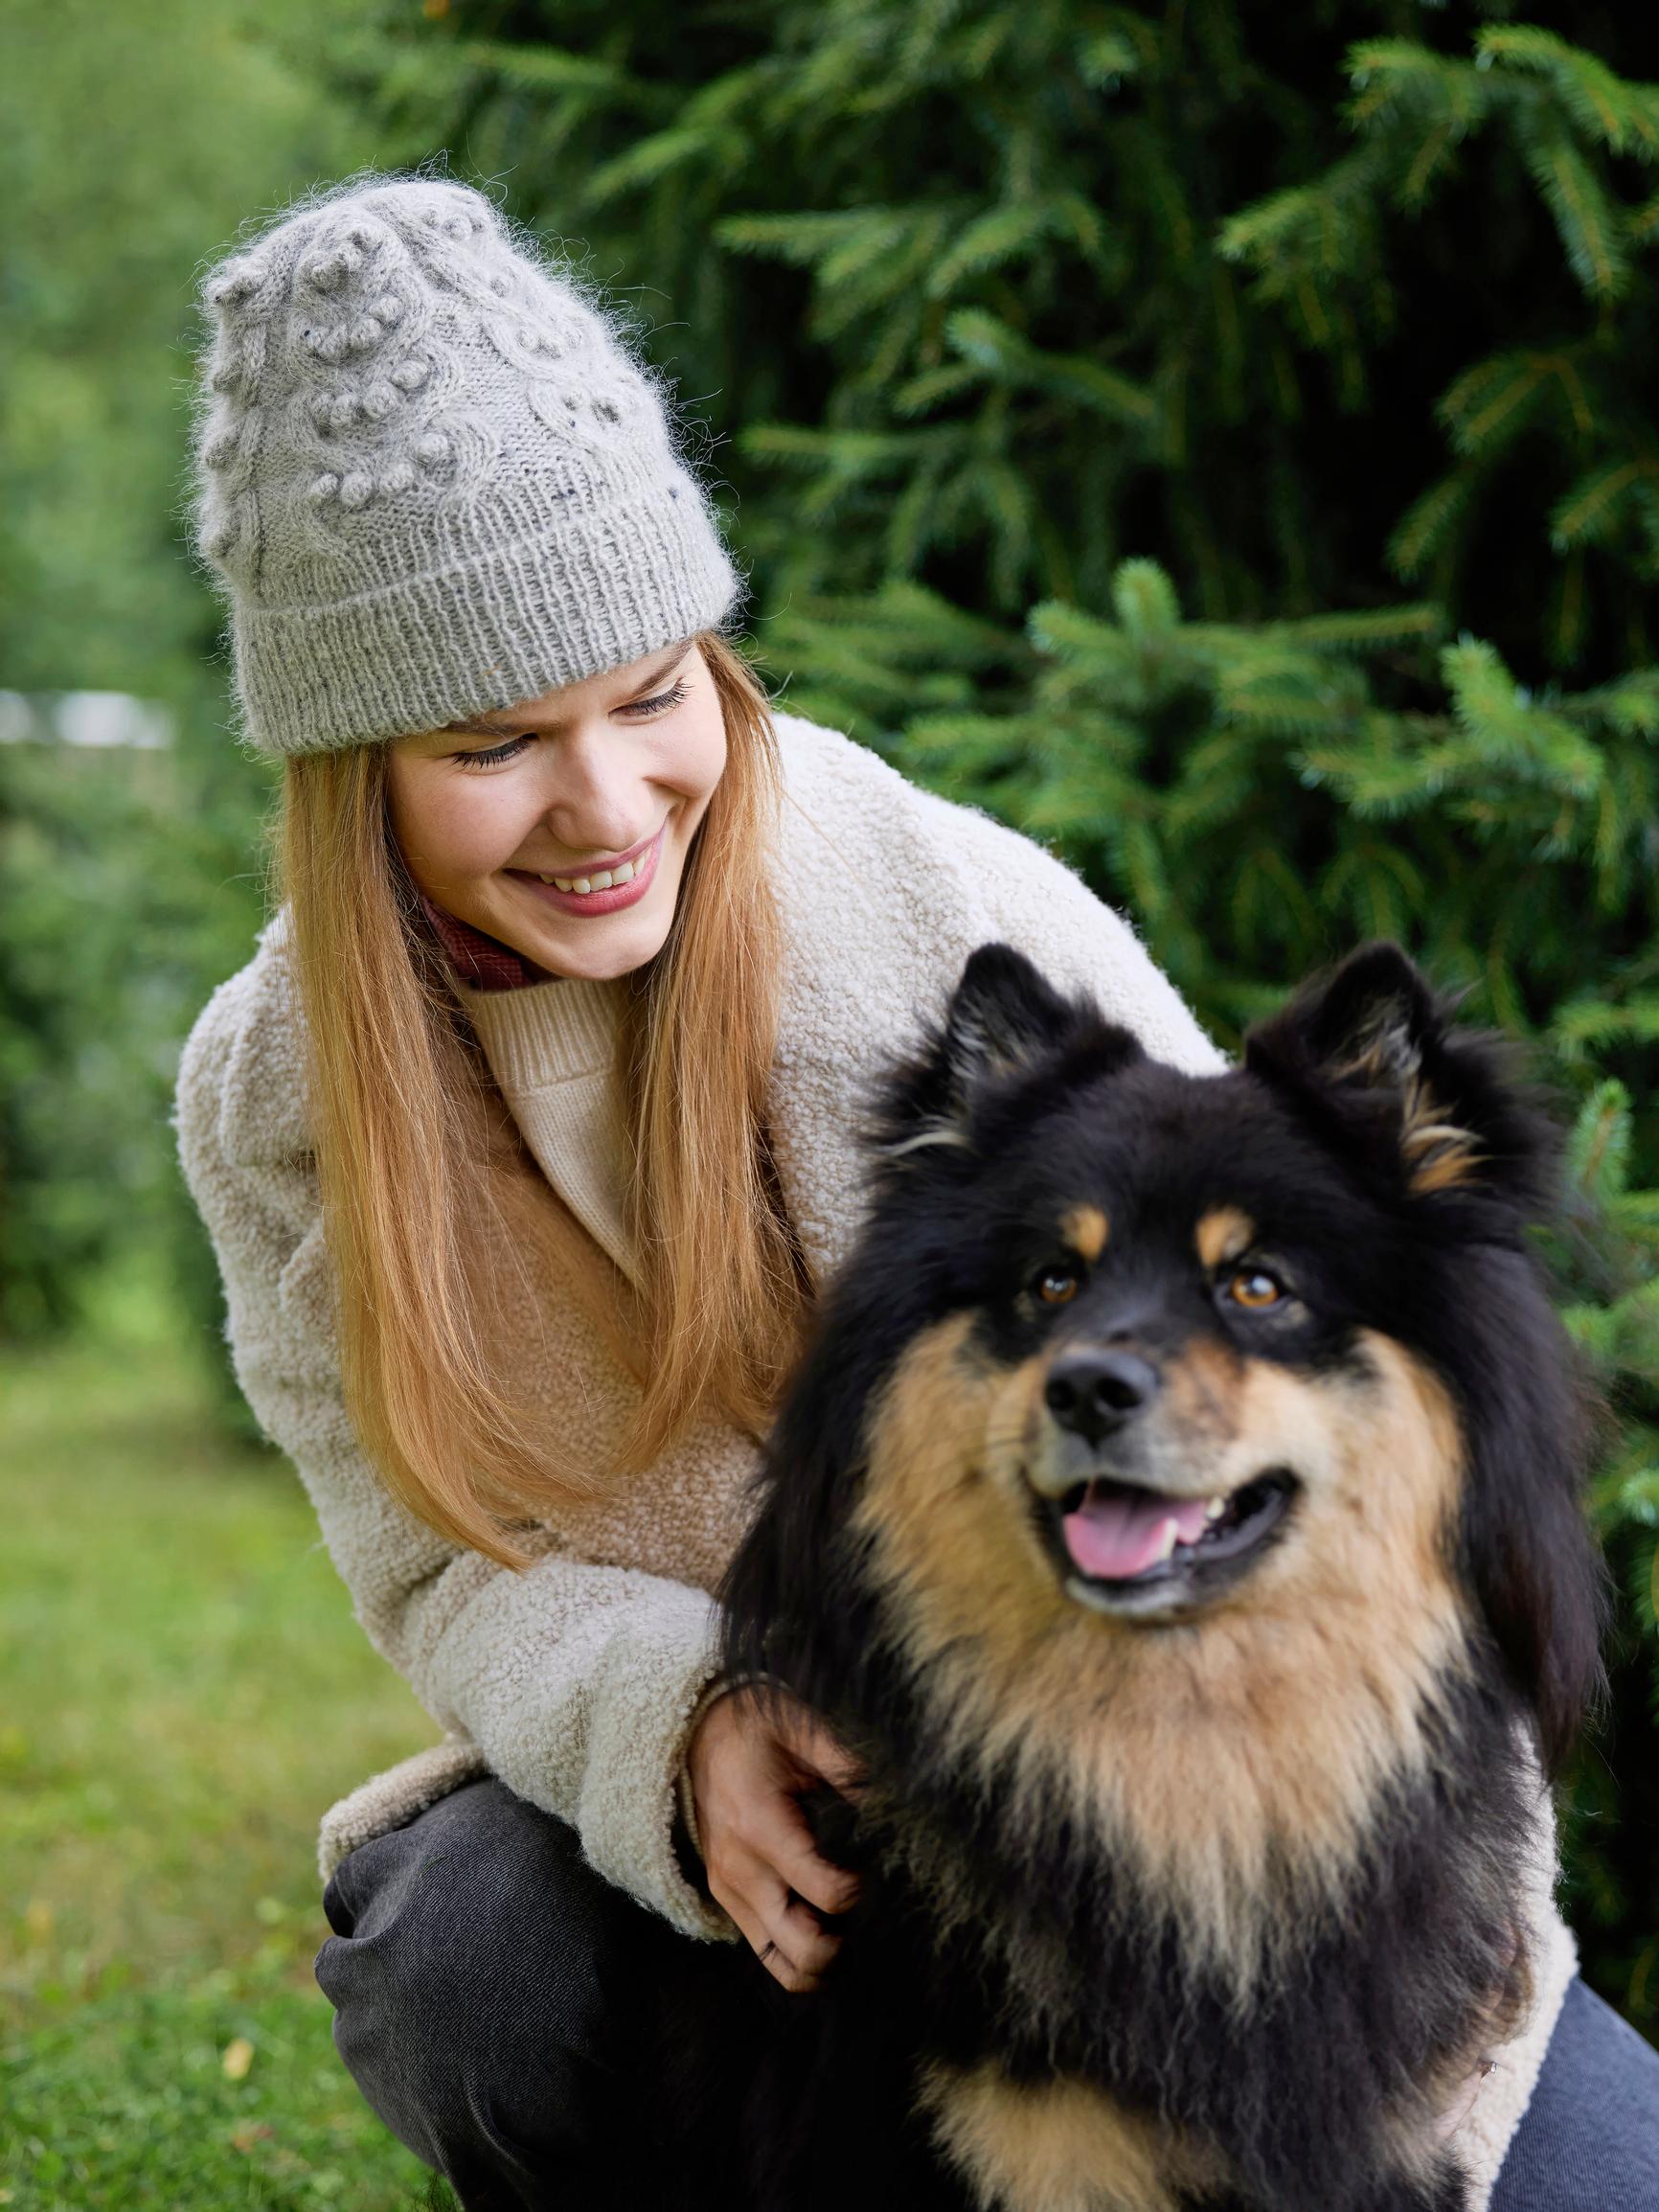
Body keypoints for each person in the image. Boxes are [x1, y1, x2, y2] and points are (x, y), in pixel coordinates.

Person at [174, 172, 1658, 2212]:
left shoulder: (914, 895)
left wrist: (1414, 1987)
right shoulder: (277, 1104)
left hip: (1139, 1754)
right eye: (495, 741)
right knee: (466, 1958)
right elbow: (435, 1569)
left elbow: (1323, 1383)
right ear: (353, 778)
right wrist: (680, 1725)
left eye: (649, 694)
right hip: (756, 1828)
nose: (608, 809)